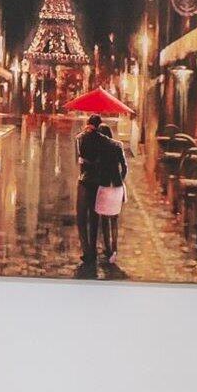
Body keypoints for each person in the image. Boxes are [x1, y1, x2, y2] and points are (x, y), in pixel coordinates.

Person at [74, 114, 126, 275]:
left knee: (82, 218)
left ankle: (88, 251)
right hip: (99, 183)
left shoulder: (81, 138)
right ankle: (100, 250)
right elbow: (117, 165)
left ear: (89, 124)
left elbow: (80, 157)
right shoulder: (108, 142)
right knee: (96, 218)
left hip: (85, 182)